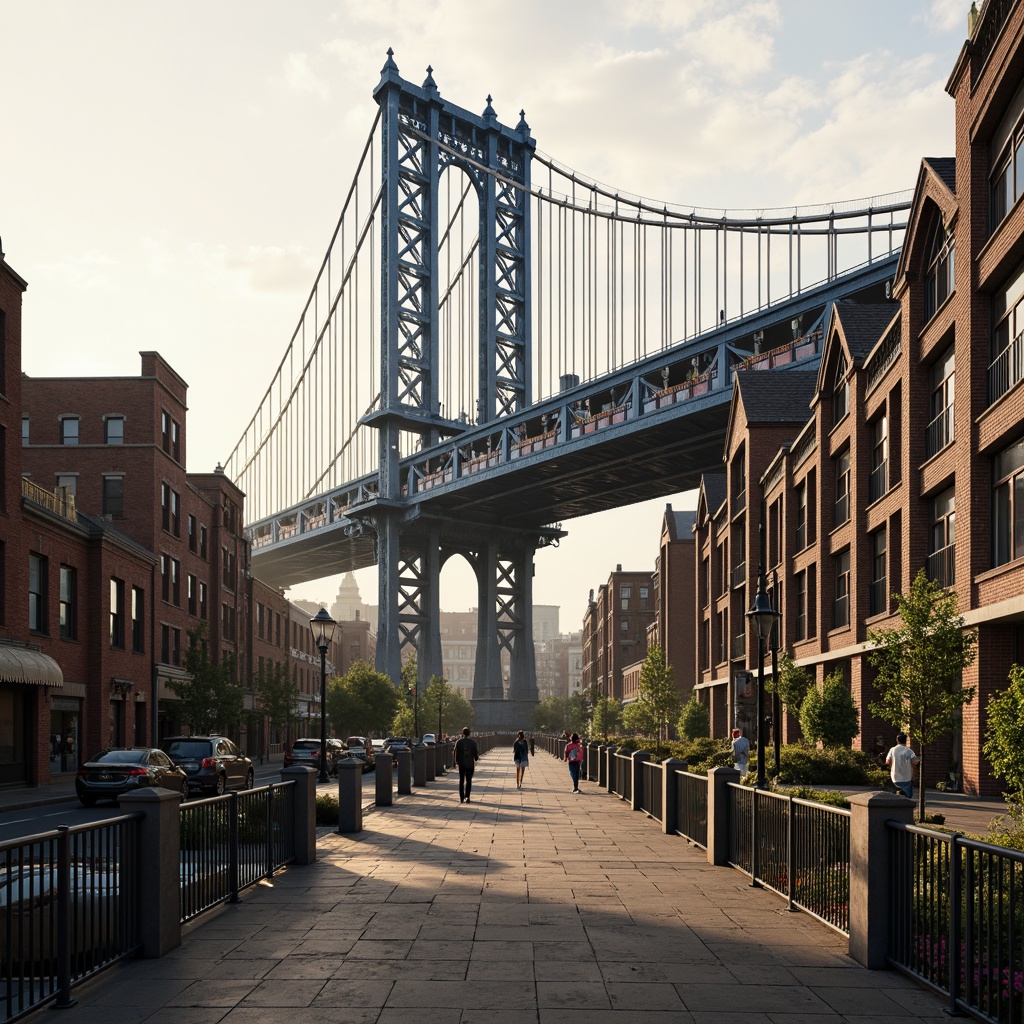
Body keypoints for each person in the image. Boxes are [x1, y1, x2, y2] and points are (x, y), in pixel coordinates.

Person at [885, 732, 919, 799]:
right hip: (906, 777)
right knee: (908, 797)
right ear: (905, 740)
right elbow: (915, 762)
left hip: (895, 777)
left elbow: (887, 762)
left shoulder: (892, 750)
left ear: (897, 740)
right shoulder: (909, 751)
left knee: (896, 795)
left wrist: (892, 768)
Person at [454, 726, 479, 803]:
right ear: (469, 734)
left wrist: (456, 761)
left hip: (461, 764)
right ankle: (467, 796)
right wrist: (475, 758)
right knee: (469, 780)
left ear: (462, 733)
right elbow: (476, 754)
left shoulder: (458, 742)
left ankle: (461, 797)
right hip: (470, 764)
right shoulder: (473, 743)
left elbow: (455, 752)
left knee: (461, 780)